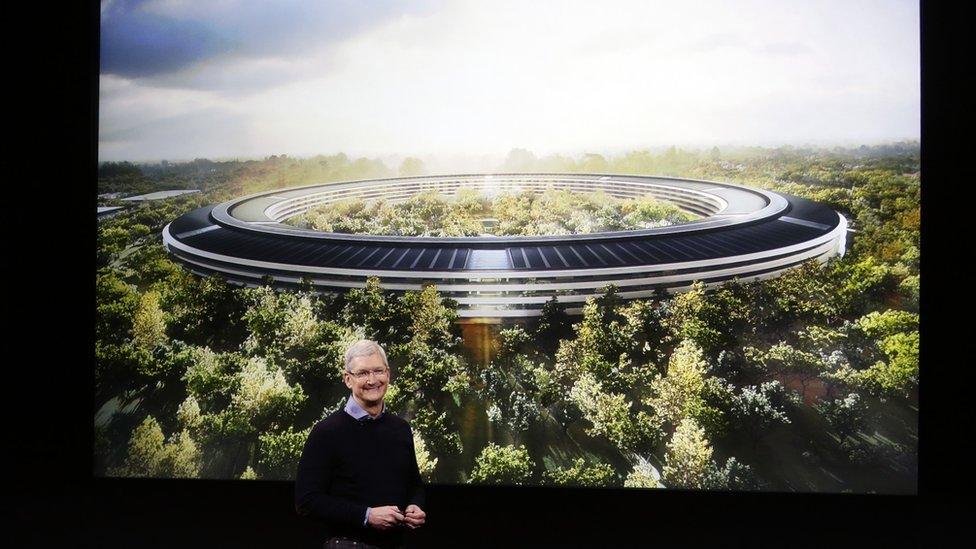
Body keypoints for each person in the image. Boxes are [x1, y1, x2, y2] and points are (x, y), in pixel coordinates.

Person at [295, 340, 427, 549]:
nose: (372, 380)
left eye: (378, 371)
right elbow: (307, 501)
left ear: (388, 374)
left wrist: (415, 505)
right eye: (363, 373)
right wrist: (367, 516)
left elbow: (414, 484)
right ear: (348, 379)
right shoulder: (327, 431)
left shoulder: (401, 429)